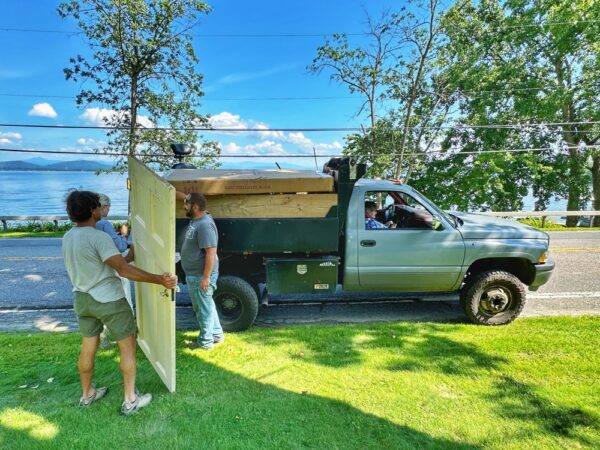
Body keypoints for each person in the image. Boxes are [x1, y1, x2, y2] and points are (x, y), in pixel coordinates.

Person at [62, 190, 177, 416]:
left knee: (88, 347)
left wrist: (130, 256)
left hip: (82, 299)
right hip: (108, 300)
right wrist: (159, 279)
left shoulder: (68, 237)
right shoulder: (98, 237)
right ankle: (130, 399)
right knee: (127, 347)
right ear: (93, 210)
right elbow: (122, 270)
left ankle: (87, 394)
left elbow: (105, 264)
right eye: (97, 206)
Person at [176, 191, 224, 350]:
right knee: (207, 305)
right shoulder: (198, 218)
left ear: (195, 207)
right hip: (195, 274)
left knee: (202, 309)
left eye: (186, 204)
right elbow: (189, 197)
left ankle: (205, 342)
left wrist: (205, 277)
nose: (184, 206)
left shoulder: (204, 225)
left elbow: (211, 252)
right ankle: (216, 335)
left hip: (200, 276)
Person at [96, 194, 133, 348]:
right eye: (108, 207)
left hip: (97, 268)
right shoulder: (104, 224)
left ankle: (101, 337)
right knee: (122, 301)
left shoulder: (88, 225)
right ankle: (125, 337)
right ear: (104, 207)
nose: (109, 210)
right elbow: (121, 246)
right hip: (113, 266)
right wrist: (124, 235)